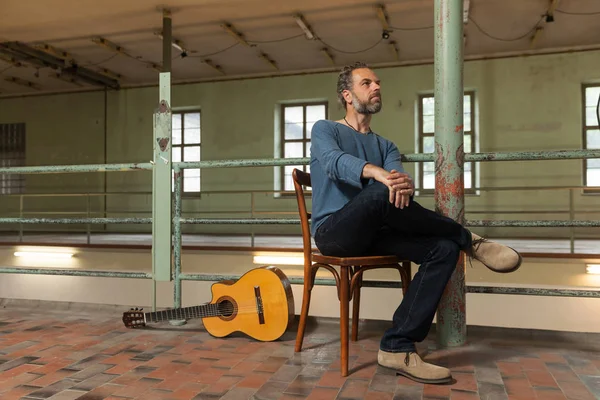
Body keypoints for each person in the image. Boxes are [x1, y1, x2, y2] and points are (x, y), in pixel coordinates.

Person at [309, 61, 522, 384]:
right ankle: (470, 239)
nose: (377, 87)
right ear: (348, 95)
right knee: (383, 191)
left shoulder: (386, 145)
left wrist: (402, 184)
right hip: (334, 232)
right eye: (367, 83)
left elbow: (399, 185)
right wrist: (379, 174)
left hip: (376, 231)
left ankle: (397, 345)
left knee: (443, 249)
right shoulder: (326, 129)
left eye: (378, 82)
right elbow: (333, 163)